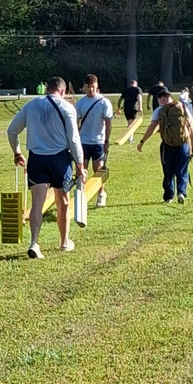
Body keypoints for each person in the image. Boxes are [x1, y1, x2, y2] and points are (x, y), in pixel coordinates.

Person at [7, 76, 85, 258]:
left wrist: (17, 152)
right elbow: (73, 139)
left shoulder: (31, 105)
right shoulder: (67, 108)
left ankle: (34, 243)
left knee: (37, 204)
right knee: (62, 201)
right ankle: (65, 242)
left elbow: (12, 130)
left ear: (47, 88)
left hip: (37, 159)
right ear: (63, 91)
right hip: (60, 159)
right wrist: (80, 164)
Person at [136, 87, 193, 204]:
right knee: (182, 170)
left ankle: (169, 196)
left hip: (167, 145)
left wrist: (142, 141)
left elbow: (152, 127)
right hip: (183, 144)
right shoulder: (182, 107)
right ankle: (181, 192)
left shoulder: (159, 110)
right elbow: (191, 127)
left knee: (168, 171)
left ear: (159, 100)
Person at [74, 74, 113, 208]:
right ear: (84, 87)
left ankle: (101, 194)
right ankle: (81, 195)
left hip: (98, 141)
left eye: (93, 87)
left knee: (98, 169)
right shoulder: (80, 103)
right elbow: (76, 123)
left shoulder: (104, 102)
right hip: (83, 141)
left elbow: (108, 123)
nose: (91, 90)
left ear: (97, 86)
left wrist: (107, 140)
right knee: (81, 169)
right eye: (88, 87)